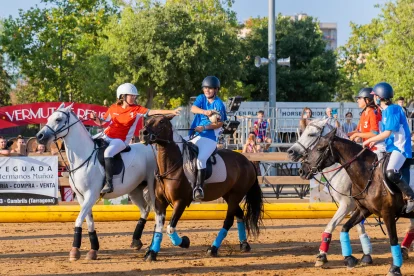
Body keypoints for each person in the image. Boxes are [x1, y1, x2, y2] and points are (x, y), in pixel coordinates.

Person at [90, 83, 180, 194]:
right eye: (131, 95)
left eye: (134, 96)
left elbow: (154, 111)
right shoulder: (113, 108)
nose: (134, 97)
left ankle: (109, 183)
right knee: (89, 143)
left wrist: (171, 111)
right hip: (106, 135)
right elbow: (102, 122)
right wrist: (95, 118)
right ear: (122, 96)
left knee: (108, 153)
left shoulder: (136, 109)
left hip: (120, 141)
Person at [363, 82, 414, 213]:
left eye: (374, 96)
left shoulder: (393, 109)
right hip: (391, 148)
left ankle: (411, 197)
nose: (373, 98)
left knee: (391, 171)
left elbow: (387, 133)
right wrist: (375, 142)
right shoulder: (385, 111)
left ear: (379, 97)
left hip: (400, 148)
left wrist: (370, 139)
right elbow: (385, 135)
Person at [189, 76, 227, 201]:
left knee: (200, 159)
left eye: (210, 88)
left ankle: (199, 188)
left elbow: (220, 123)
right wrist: (206, 112)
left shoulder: (219, 104)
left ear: (216, 90)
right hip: (194, 135)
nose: (207, 90)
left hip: (210, 137)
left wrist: (205, 127)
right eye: (205, 88)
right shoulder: (201, 98)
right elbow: (193, 108)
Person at [348, 87, 384, 155]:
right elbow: (358, 131)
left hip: (377, 148)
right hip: (368, 148)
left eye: (359, 98)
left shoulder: (373, 113)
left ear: (367, 100)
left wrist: (356, 135)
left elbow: (374, 133)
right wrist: (343, 135)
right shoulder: (364, 113)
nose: (357, 101)